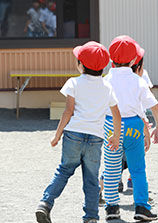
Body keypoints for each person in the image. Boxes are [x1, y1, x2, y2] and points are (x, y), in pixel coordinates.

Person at [35, 41, 121, 223]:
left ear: (81, 65)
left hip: (73, 134)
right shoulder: (107, 87)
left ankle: (45, 203)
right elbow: (116, 115)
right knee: (91, 180)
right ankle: (91, 217)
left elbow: (68, 111)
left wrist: (57, 135)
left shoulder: (73, 82)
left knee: (64, 171)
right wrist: (115, 136)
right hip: (96, 139)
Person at [103, 35, 158, 221]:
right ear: (132, 60)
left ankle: (112, 207)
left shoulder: (105, 80)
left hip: (111, 125)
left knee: (112, 168)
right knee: (137, 169)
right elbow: (153, 106)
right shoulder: (138, 81)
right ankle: (141, 207)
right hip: (134, 125)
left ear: (111, 58)